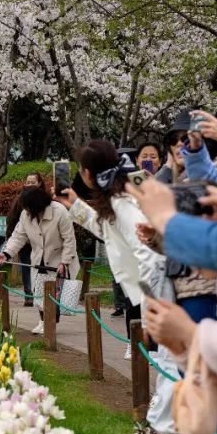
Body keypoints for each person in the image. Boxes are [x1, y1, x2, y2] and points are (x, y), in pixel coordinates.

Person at [54, 140, 165, 341]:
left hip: (158, 297)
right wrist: (74, 204)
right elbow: (107, 230)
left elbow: (148, 253)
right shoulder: (117, 196)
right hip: (151, 294)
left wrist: (151, 312)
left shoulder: (123, 202)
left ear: (87, 173)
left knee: (167, 364)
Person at [0, 186, 79, 334]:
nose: (25, 210)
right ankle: (43, 321)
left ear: (35, 204)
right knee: (39, 292)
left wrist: (64, 262)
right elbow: (18, 236)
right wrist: (7, 253)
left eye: (27, 207)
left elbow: (69, 239)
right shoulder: (26, 215)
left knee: (55, 295)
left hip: (58, 259)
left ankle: (49, 322)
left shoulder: (59, 212)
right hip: (39, 258)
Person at [7, 171, 48, 306]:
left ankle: (40, 294)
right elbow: (13, 221)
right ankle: (29, 294)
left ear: (39, 183)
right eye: (28, 182)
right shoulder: (20, 200)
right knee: (26, 266)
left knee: (41, 267)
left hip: (42, 242)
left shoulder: (46, 200)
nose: (30, 184)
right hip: (24, 242)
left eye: (33, 182)